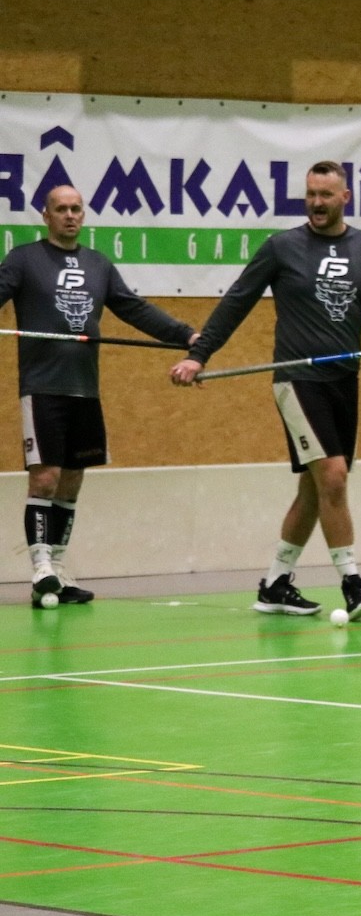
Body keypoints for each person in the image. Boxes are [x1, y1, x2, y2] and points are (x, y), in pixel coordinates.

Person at [171, 161, 361, 620]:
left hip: (344, 381)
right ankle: (352, 583)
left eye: (325, 195)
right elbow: (236, 302)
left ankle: (275, 583)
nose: (316, 203)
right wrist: (198, 355)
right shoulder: (282, 247)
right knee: (334, 477)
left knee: (315, 488)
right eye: (310, 194)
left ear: (345, 198)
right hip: (296, 380)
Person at [0, 185, 196, 607]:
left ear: (83, 214)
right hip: (43, 387)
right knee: (46, 478)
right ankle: (40, 568)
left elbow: (134, 308)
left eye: (76, 208)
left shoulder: (98, 264)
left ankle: (58, 569)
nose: (70, 215)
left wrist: (186, 335)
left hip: (84, 389)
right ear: (46, 216)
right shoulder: (24, 260)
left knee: (72, 481)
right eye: (61, 209)